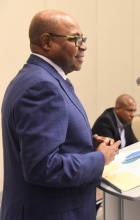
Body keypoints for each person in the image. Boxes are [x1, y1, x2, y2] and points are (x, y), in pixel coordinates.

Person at [1, 10, 120, 220]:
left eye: (83, 39)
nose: (83, 46)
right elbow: (42, 167)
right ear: (46, 42)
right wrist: (100, 158)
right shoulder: (42, 87)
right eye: (76, 39)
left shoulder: (35, 78)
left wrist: (86, 145)